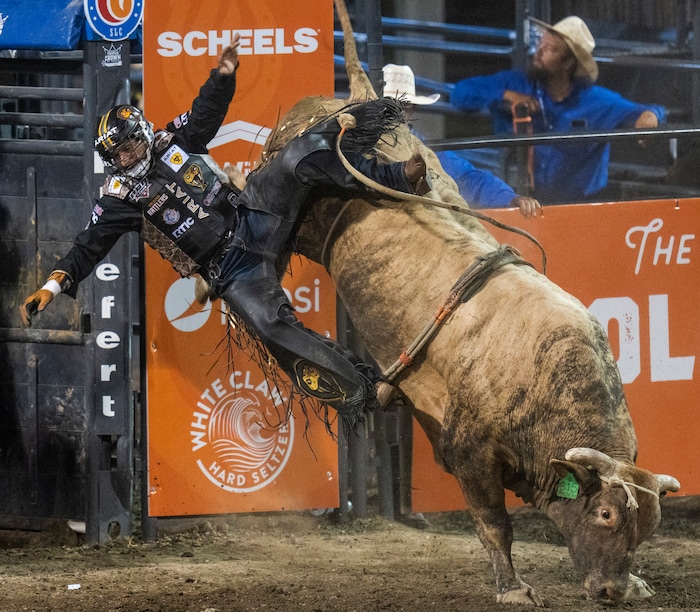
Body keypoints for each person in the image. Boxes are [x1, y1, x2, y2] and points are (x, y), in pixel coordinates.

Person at [20, 35, 431, 421]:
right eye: (119, 154)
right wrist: (51, 286)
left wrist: (222, 76)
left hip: (253, 215)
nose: (127, 157)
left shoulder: (173, 140)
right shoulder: (118, 197)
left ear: (142, 134)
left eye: (130, 146)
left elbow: (206, 112)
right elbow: (86, 246)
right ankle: (365, 389)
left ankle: (393, 168)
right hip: (228, 269)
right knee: (273, 327)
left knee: (296, 156)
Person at [450, 16, 667, 204]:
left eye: (551, 49)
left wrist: (649, 118)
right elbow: (460, 94)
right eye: (541, 44)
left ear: (568, 63)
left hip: (578, 203)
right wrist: (505, 95)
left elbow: (644, 112)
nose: (539, 52)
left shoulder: (595, 100)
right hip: (519, 199)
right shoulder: (514, 83)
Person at [382, 63, 541, 217]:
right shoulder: (364, 145)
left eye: (404, 105)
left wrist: (508, 198)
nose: (398, 112)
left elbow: (467, 178)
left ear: (413, 108)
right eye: (391, 105)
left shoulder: (423, 149)